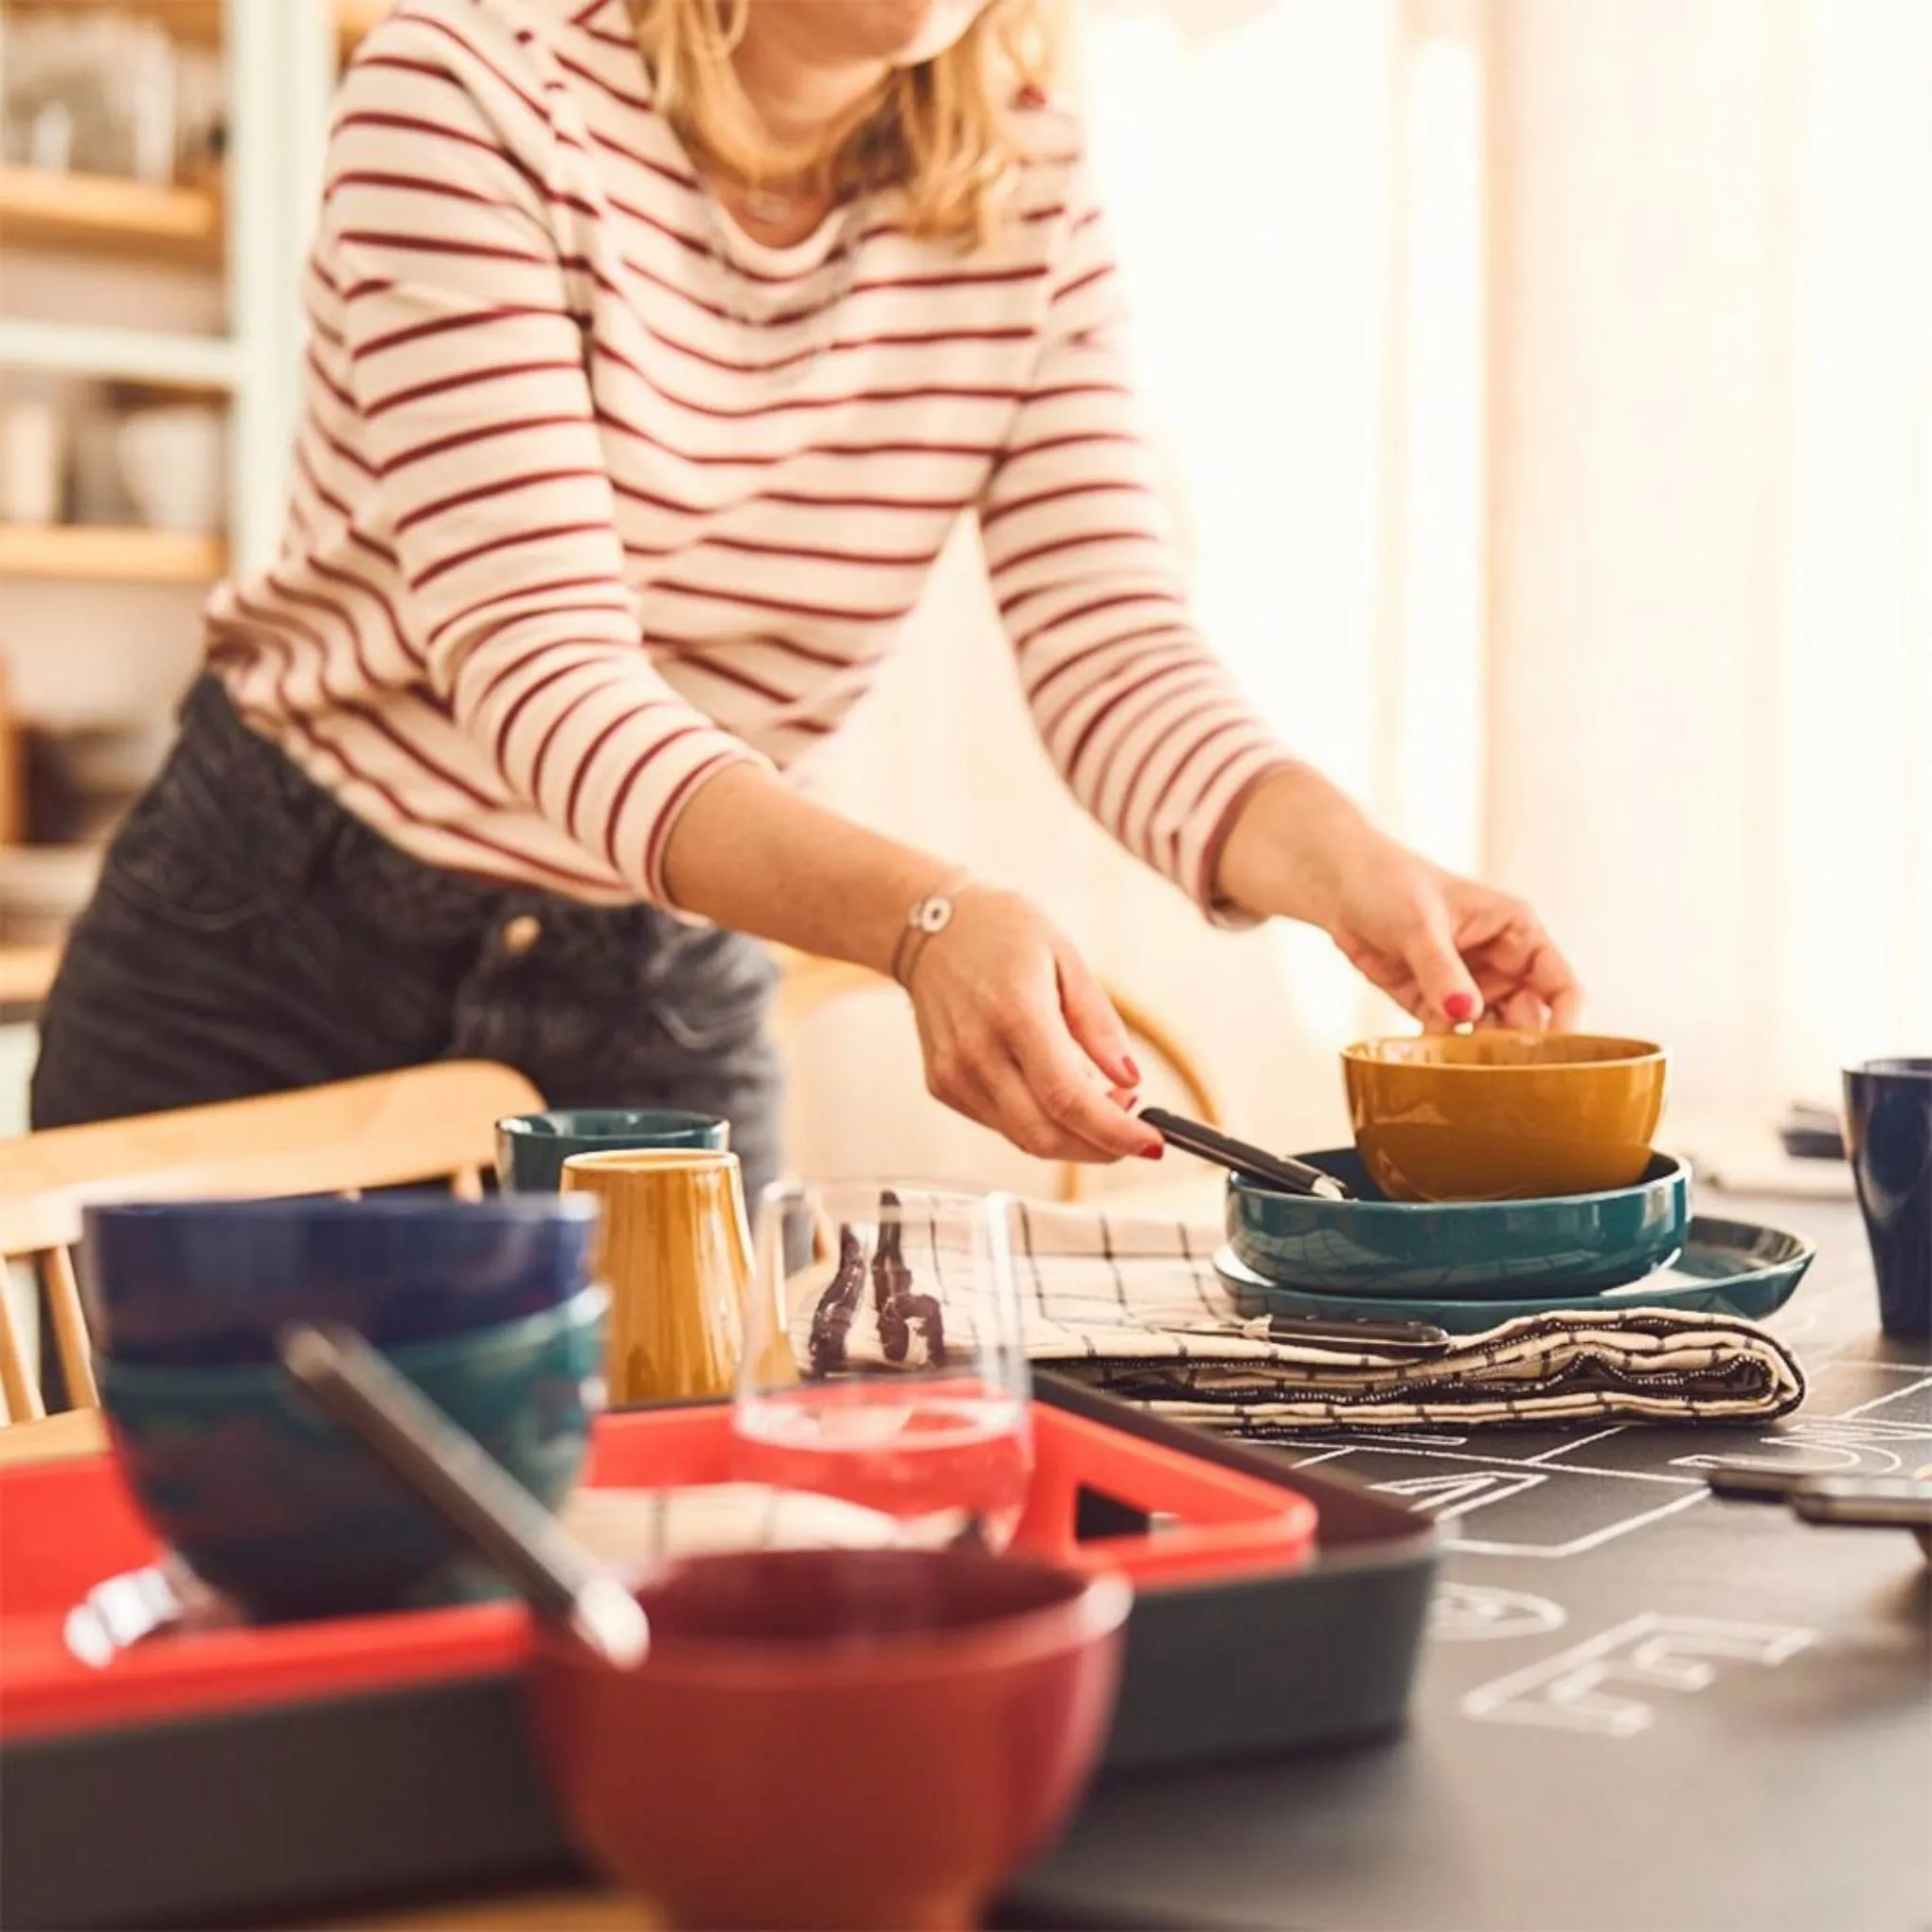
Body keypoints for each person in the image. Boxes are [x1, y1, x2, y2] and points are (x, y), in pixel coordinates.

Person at [31, 0, 1582, 1204]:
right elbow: (545, 677)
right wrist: (926, 918)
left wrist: (1355, 868)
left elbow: (1114, 641)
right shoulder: (469, 92)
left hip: (653, 969)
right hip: (273, 938)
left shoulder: (1024, 176)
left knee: (660, 1548)